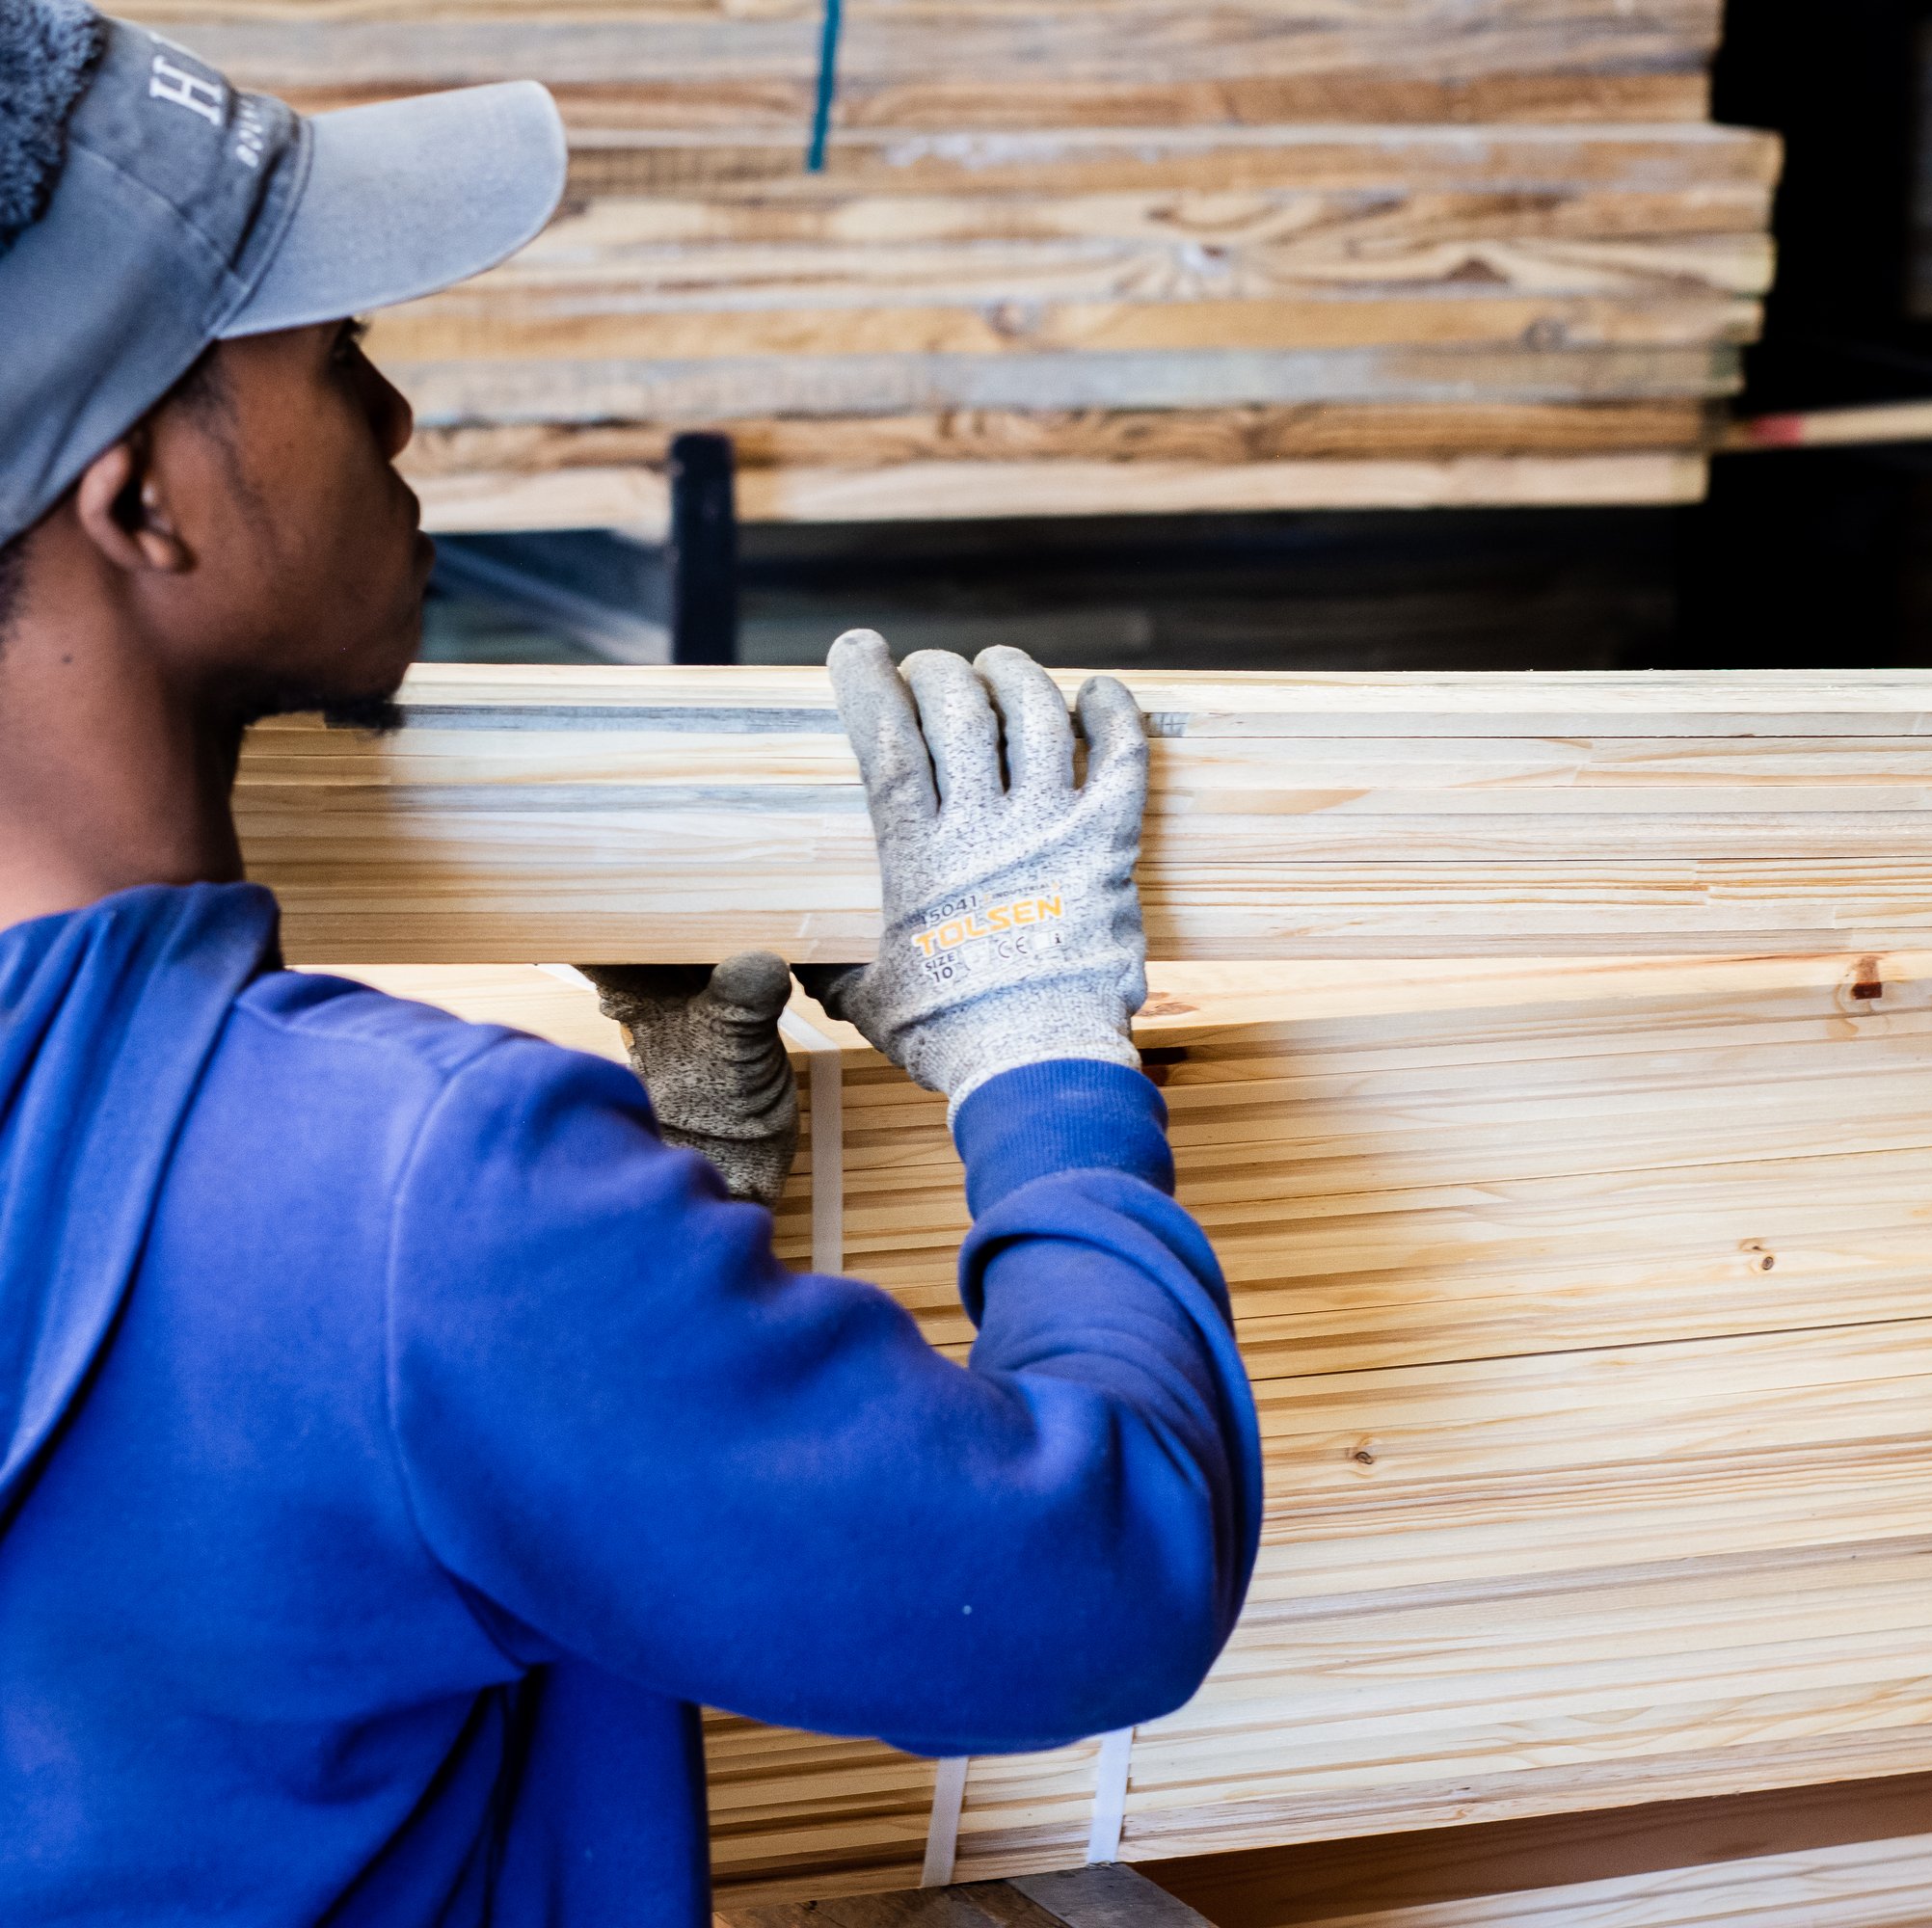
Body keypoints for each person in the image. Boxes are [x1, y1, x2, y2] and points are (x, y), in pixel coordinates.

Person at [0, 5, 1262, 1921]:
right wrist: (1039, 1049)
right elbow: (1099, 1583)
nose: (395, 416)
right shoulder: (418, 1199)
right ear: (142, 503)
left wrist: (662, 1225)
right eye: (334, 353)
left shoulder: (370, 1219)